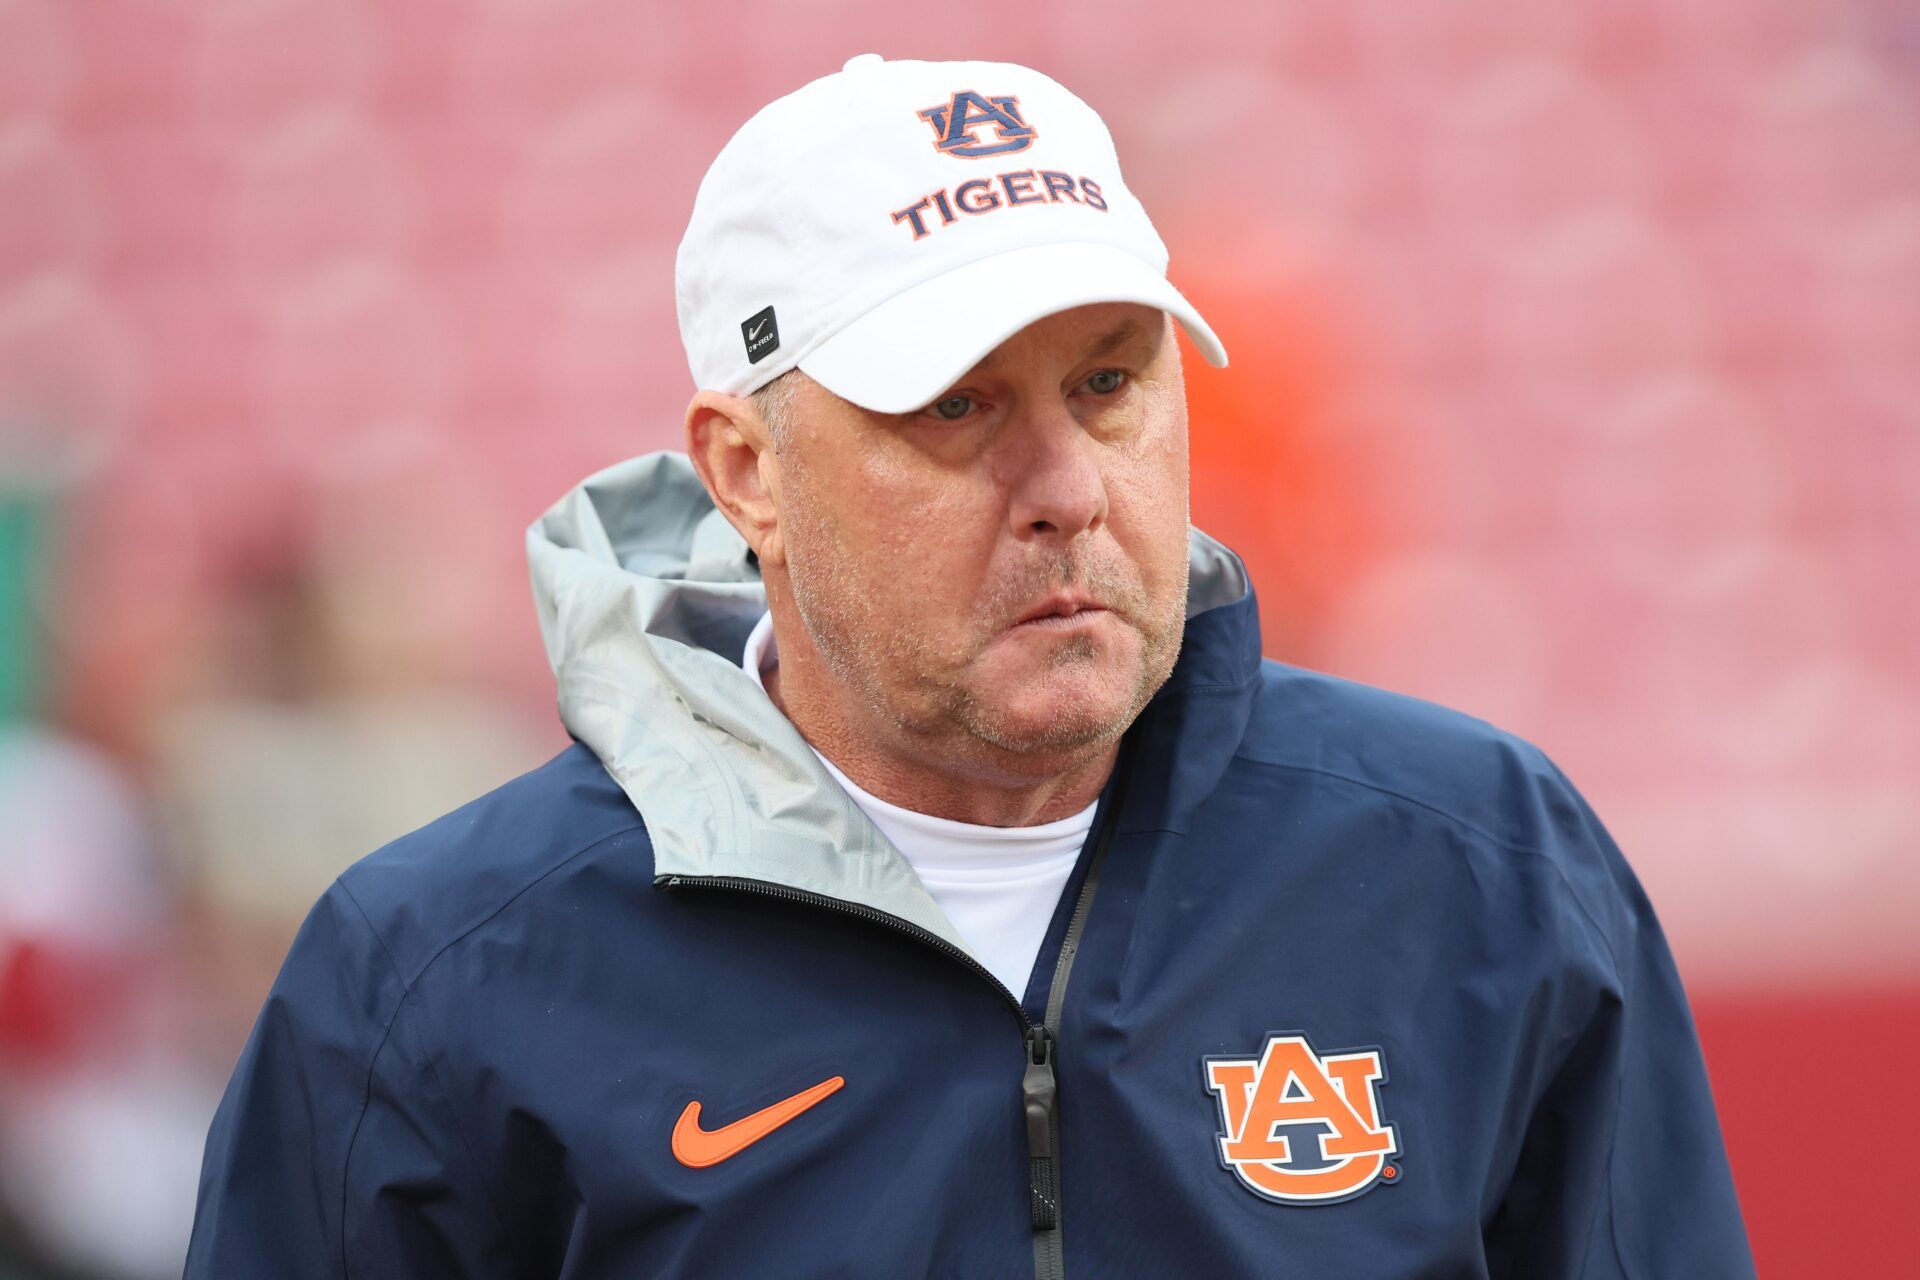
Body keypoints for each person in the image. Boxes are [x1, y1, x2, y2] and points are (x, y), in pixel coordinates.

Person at [184, 53, 1754, 1277]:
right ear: (747, 474)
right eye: (954, 407)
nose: (1069, 483)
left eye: (1112, 381)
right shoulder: (431, 985)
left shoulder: (1484, 873)